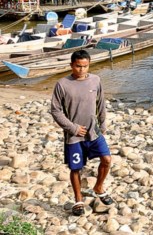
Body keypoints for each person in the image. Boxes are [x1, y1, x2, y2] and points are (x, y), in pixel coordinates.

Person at [50, 50, 113, 216]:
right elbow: (55, 111)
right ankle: (78, 200)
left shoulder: (95, 80)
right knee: (76, 168)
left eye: (85, 66)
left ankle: (99, 187)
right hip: (74, 136)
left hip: (94, 132)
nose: (82, 70)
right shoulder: (62, 84)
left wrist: (103, 123)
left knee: (106, 159)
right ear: (71, 65)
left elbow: (101, 103)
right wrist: (73, 128)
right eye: (78, 66)